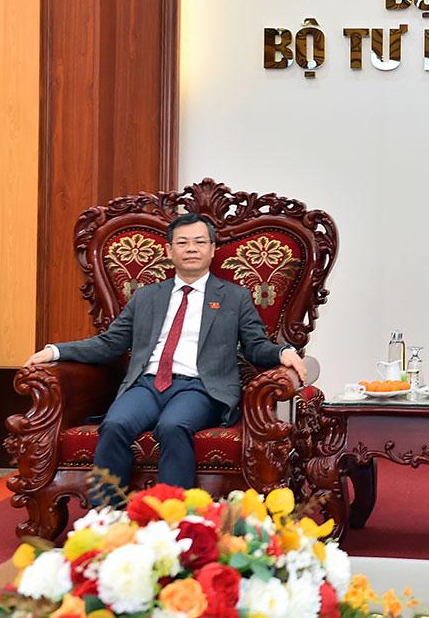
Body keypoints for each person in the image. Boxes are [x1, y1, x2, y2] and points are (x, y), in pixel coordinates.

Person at [23, 212, 307, 496]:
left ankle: (172, 511)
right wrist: (55, 350)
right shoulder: (147, 296)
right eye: (182, 243)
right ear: (169, 251)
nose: (191, 249)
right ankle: (108, 511)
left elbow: (256, 345)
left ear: (212, 249)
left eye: (199, 242)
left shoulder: (234, 297)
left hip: (201, 388)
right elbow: (110, 343)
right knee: (114, 424)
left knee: (173, 425)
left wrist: (282, 352)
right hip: (147, 385)